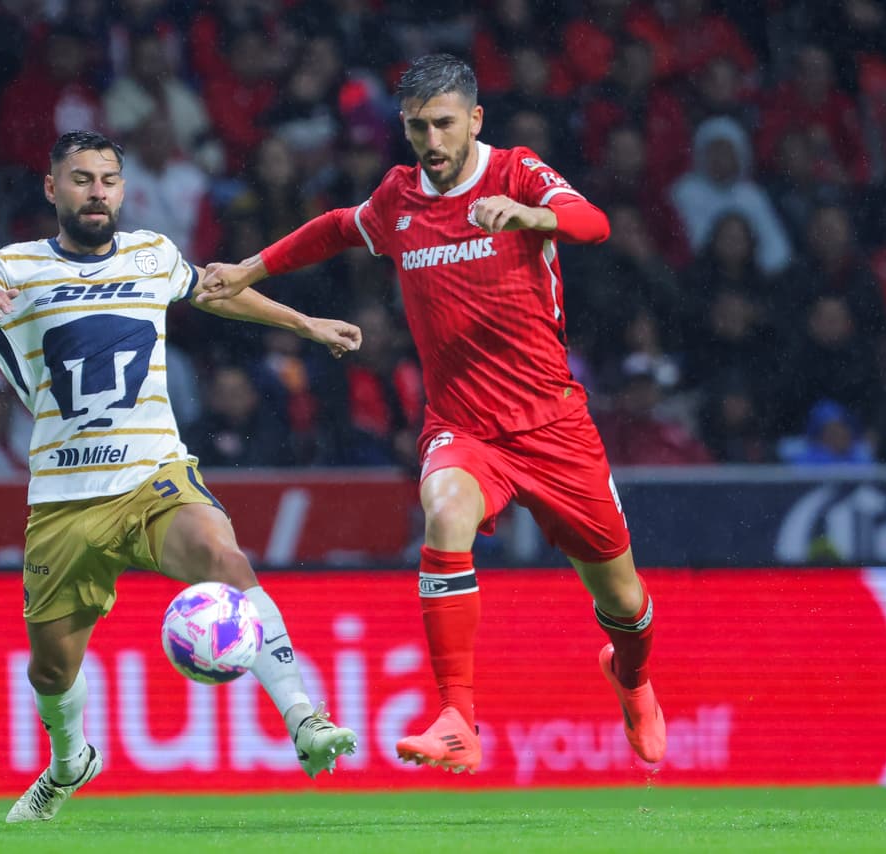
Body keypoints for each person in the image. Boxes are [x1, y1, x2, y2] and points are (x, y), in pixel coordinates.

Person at [198, 54, 667, 773]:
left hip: (554, 426)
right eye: (417, 127)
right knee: (444, 510)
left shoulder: (516, 172)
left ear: (474, 119)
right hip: (464, 427)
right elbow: (334, 229)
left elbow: (593, 223)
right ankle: (458, 717)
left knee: (627, 604)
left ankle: (630, 679)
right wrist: (248, 271)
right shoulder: (399, 197)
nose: (432, 142)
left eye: (444, 124)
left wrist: (531, 214)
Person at [0, 131, 362, 822]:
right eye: (83, 179)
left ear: (122, 190)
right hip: (63, 502)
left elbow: (216, 293)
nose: (98, 192)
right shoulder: (15, 268)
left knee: (224, 556)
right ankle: (70, 762)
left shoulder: (152, 253)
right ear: (52, 187)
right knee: (51, 671)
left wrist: (305, 324)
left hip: (152, 473)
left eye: (109, 180)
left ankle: (304, 717)